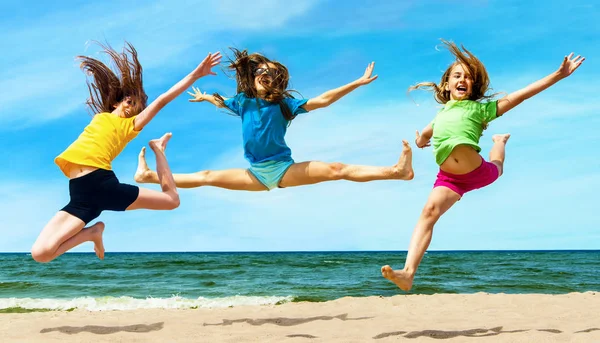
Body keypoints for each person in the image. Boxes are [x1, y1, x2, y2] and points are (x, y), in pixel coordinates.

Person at [382, 40, 585, 291]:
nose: (462, 80)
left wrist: (558, 75)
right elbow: (425, 133)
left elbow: (519, 96)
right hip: (449, 179)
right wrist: (420, 140)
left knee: (497, 166)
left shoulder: (480, 110)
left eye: (468, 77)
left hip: (478, 172)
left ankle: (500, 141)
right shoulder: (440, 115)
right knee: (427, 214)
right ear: (446, 84)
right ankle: (408, 273)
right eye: (457, 75)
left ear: (472, 86)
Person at [31, 42, 222, 263]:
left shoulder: (130, 126)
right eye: (129, 102)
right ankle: (92, 233)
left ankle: (158, 149)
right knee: (41, 254)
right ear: (115, 104)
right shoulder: (102, 117)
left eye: (136, 107)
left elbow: (161, 101)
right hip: (80, 195)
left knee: (172, 201)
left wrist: (196, 75)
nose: (131, 107)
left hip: (102, 184)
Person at [134, 49, 413, 191]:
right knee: (206, 176)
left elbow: (324, 100)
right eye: (261, 72)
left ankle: (396, 172)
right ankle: (149, 176)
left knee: (336, 169)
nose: (265, 75)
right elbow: (222, 102)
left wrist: (357, 83)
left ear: (276, 81)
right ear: (253, 77)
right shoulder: (242, 102)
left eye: (271, 73)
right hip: (254, 173)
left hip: (283, 169)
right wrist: (205, 96)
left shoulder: (285, 105)